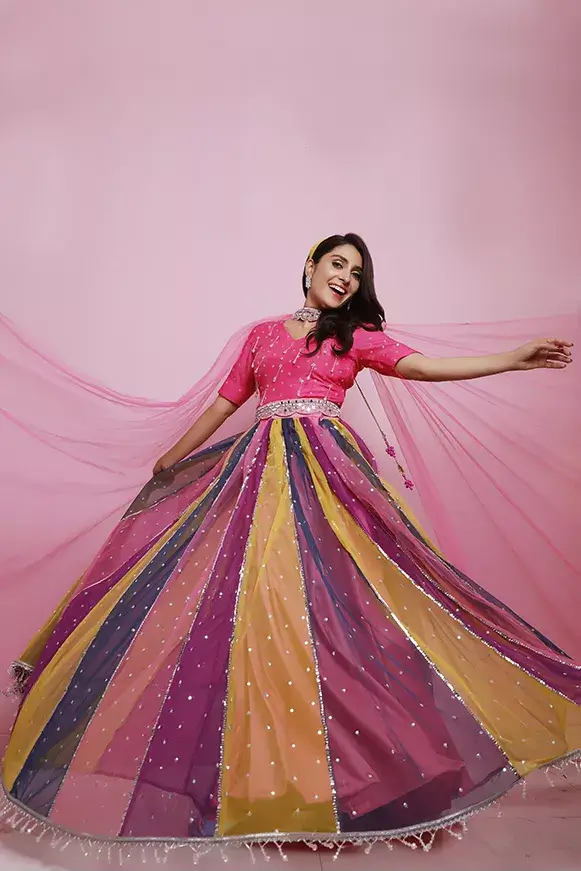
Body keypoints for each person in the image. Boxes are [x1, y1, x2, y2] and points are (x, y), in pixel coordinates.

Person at [1, 233, 579, 857]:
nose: (346, 277)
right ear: (311, 265)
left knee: (348, 618)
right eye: (337, 264)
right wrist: (173, 456)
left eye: (356, 272)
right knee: (260, 615)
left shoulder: (355, 336)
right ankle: (272, 785)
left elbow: (421, 366)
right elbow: (226, 402)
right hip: (259, 478)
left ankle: (368, 783)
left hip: (329, 480)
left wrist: (511, 358)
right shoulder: (262, 335)